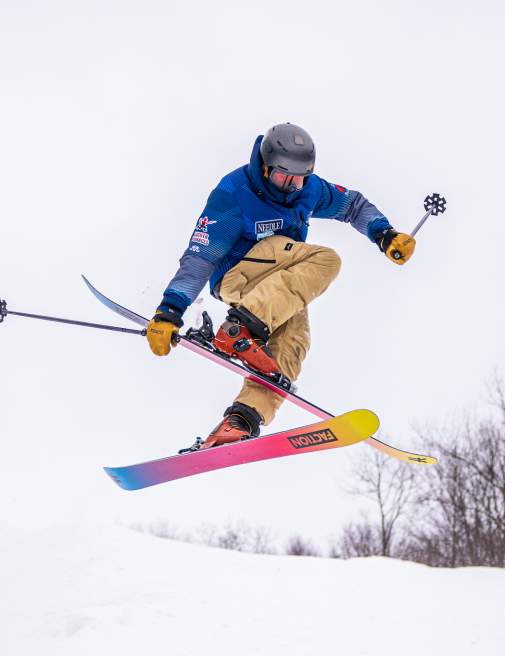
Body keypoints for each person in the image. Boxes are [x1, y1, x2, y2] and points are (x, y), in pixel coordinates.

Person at [146, 123, 415, 449]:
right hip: (238, 276)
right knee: (326, 260)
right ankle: (238, 330)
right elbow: (201, 256)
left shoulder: (310, 189)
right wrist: (171, 310)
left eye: (300, 177)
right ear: (265, 166)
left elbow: (353, 205)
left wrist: (383, 234)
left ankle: (241, 420)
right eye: (284, 176)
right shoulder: (233, 194)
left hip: (271, 291)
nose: (292, 186)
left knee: (293, 339)